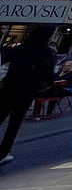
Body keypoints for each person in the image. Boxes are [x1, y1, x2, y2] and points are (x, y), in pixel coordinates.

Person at [0, 26, 55, 165]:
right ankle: (3, 152)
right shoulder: (46, 52)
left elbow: (4, 59)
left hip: (9, 86)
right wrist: (46, 84)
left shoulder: (20, 48)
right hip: (27, 90)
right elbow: (47, 74)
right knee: (15, 123)